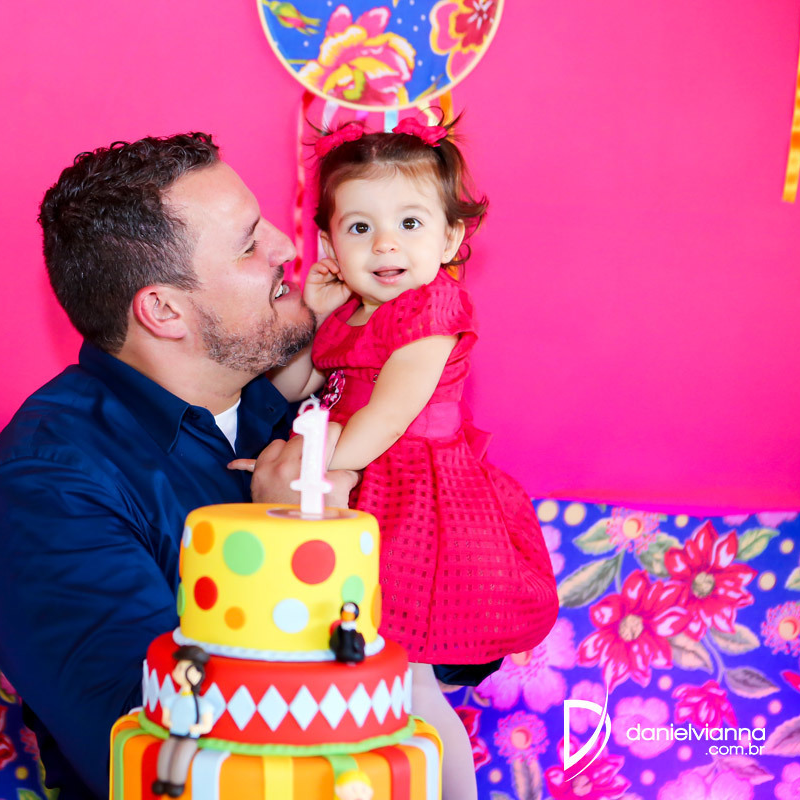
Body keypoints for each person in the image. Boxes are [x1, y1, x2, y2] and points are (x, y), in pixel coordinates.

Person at [0, 132, 357, 799]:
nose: (287, 248)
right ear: (163, 310)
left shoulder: (307, 406)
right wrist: (288, 540)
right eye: (248, 245)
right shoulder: (52, 481)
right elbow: (161, 758)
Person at [266, 116, 559, 799]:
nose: (385, 243)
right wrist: (312, 318)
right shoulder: (348, 315)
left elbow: (388, 414)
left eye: (409, 223)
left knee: (409, 680)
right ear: (329, 242)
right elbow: (295, 389)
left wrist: (315, 473)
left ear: (451, 238)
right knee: (362, 671)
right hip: (355, 483)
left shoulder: (434, 308)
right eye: (359, 227)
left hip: (415, 499)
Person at [154, 645, 214, 798]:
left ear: (196, 674)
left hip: (189, 736)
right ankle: (162, 780)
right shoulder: (172, 700)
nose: (177, 672)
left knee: (181, 757)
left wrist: (197, 728)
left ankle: (176, 783)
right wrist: (168, 722)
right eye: (178, 667)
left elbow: (207, 725)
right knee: (165, 752)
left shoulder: (202, 704)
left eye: (182, 668)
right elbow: (165, 717)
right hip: (174, 733)